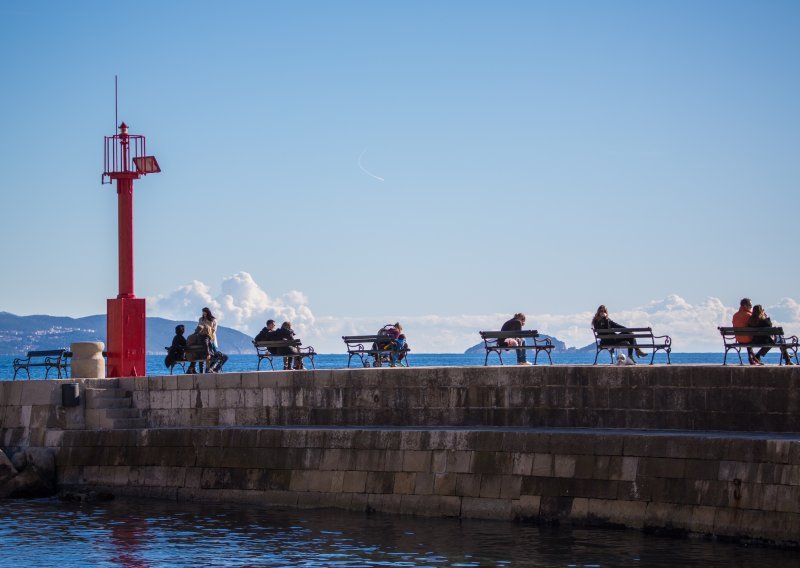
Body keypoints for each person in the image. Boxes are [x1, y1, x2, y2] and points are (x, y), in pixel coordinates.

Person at [732, 298, 755, 365]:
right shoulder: (749, 315)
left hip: (739, 339)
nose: (751, 307)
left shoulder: (735, 315)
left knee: (747, 336)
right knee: (749, 337)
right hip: (748, 339)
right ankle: (754, 357)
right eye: (750, 305)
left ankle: (752, 357)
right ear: (745, 306)